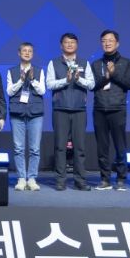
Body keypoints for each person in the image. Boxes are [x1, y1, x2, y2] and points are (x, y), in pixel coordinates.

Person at [46, 32, 95, 191]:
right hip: (60, 109)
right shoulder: (54, 63)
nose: (69, 45)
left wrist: (78, 79)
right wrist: (65, 81)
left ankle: (80, 180)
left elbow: (92, 84)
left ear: (77, 45)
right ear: (61, 45)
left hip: (79, 110)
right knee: (60, 147)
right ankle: (60, 180)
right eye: (66, 42)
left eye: (72, 42)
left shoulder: (84, 63)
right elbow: (49, 84)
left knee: (79, 148)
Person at [92, 30, 130, 191]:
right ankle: (105, 179)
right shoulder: (96, 64)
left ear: (117, 43)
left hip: (117, 108)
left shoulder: (126, 63)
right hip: (99, 108)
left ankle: (121, 178)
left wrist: (114, 74)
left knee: (120, 146)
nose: (107, 43)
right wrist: (106, 77)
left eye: (110, 40)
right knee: (102, 147)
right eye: (104, 40)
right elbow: (92, 86)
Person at [7, 42, 46, 191]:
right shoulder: (12, 71)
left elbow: (42, 91)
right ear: (19, 53)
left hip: (35, 113)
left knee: (35, 148)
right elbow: (10, 91)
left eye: (30, 51)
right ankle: (21, 178)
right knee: (18, 148)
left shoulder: (39, 71)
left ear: (33, 54)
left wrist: (33, 79)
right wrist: (21, 81)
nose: (27, 53)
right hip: (17, 112)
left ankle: (32, 178)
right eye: (24, 50)